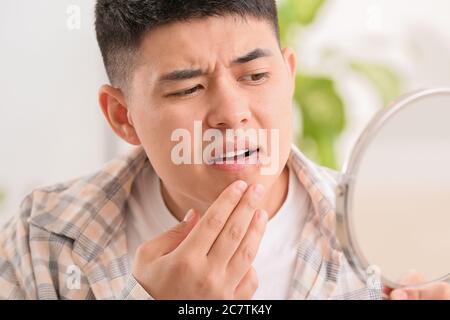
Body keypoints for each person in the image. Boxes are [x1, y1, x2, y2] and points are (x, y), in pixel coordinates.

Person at [0, 0, 448, 300]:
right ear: (123, 116)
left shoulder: (398, 246)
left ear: (288, 75)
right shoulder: (43, 237)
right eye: (188, 88)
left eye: (255, 76)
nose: (232, 114)